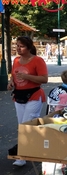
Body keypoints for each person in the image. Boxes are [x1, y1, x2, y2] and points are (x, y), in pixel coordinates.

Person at [7, 36, 48, 166]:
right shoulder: (16, 60)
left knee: (25, 126)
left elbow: (44, 79)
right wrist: (11, 82)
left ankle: (22, 157)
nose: (18, 48)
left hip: (34, 95)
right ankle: (39, 146)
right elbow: (13, 75)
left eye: (22, 46)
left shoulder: (37, 60)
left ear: (29, 47)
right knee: (23, 125)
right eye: (17, 45)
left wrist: (26, 76)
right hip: (19, 96)